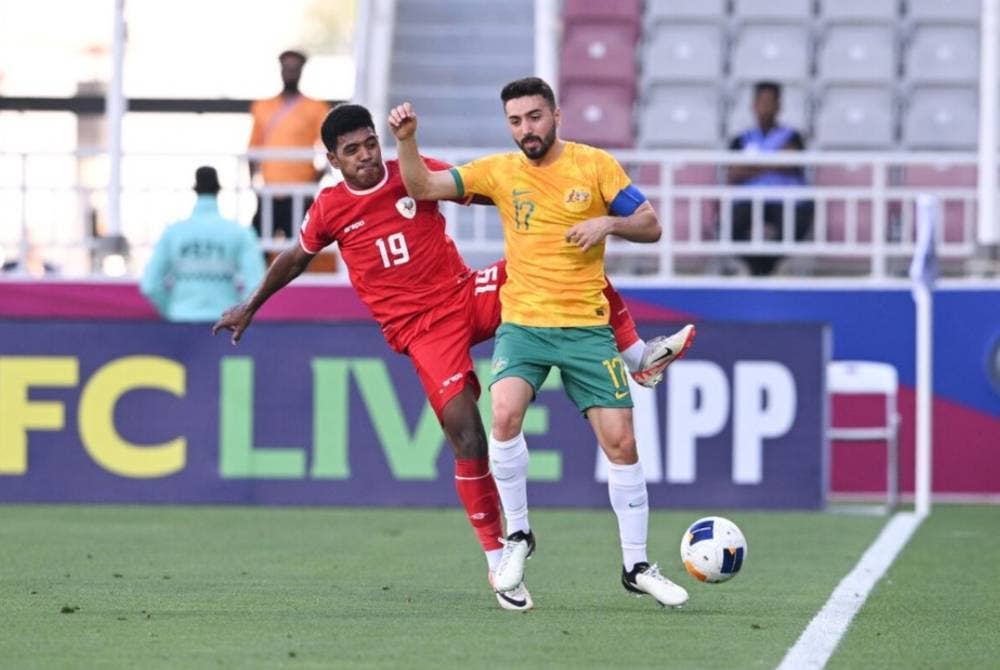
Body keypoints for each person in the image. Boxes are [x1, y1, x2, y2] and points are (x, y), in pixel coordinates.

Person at [214, 103, 694, 612]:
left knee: (556, 260)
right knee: (467, 434)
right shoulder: (331, 207)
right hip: (420, 329)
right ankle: (498, 559)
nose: (366, 157)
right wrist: (252, 304)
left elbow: (489, 188)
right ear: (333, 159)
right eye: (351, 151)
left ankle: (637, 353)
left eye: (370, 144)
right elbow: (295, 257)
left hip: (465, 294)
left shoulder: (412, 174)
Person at [389, 77, 692, 609]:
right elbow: (423, 188)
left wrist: (609, 223)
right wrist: (407, 141)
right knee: (503, 414)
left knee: (622, 444)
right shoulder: (500, 173)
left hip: (586, 329)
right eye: (515, 120)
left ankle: (637, 565)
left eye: (534, 117)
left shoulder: (593, 166)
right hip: (524, 325)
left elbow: (651, 225)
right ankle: (519, 537)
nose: (525, 129)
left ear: (556, 115)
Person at [141, 166, 264, 322]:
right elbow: (256, 284)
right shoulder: (239, 232)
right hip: (224, 323)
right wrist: (237, 313)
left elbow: (150, 284)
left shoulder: (173, 232)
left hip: (180, 319)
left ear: (195, 190)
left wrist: (172, 309)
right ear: (218, 190)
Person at [727, 81, 814, 276]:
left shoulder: (793, 136)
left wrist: (753, 164)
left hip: (784, 199)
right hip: (750, 199)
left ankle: (767, 266)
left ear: (778, 106)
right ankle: (758, 267)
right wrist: (774, 160)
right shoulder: (742, 138)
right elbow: (733, 172)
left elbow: (791, 163)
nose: (766, 106)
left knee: (796, 223)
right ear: (754, 105)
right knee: (732, 226)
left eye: (770, 101)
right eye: (761, 101)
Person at [248, 49, 330, 240]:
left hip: (300, 192)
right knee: (258, 245)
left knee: (301, 248)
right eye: (287, 68)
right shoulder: (262, 106)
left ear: (301, 71)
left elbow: (328, 146)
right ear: (281, 70)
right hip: (269, 191)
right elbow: (253, 148)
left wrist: (314, 180)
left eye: (295, 68)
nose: (290, 73)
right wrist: (253, 186)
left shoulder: (316, 108)